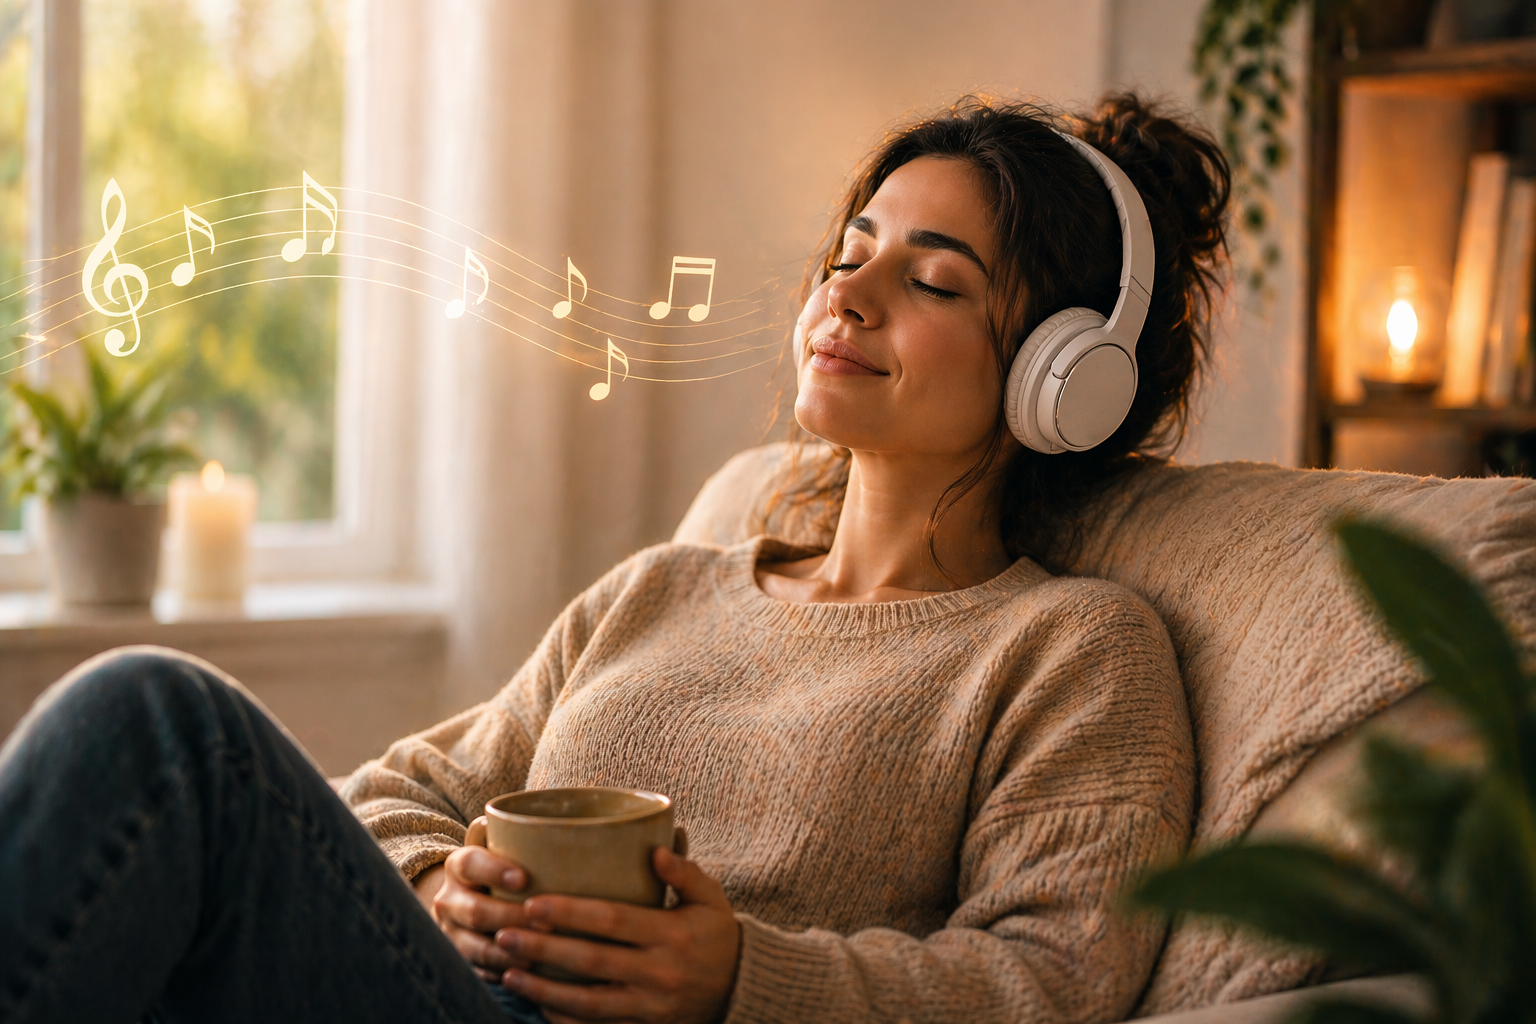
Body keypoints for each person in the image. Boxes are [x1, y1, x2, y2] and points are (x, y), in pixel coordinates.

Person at [0, 92, 1229, 1024]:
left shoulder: (1072, 649)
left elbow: (1055, 976)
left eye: (931, 281)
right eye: (852, 248)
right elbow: (393, 793)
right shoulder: (662, 588)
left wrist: (745, 976)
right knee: (155, 733)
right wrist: (446, 888)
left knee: (162, 724)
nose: (848, 293)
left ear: (1061, 378)